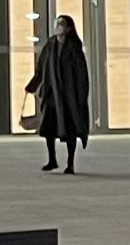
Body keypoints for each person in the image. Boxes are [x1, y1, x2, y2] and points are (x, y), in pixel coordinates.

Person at [29, 13, 93, 173]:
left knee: (70, 129)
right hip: (51, 93)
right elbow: (41, 67)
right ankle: (52, 159)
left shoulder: (74, 48)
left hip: (68, 96)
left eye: (61, 24)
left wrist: (81, 97)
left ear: (69, 28)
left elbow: (81, 75)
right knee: (48, 128)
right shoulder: (50, 46)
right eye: (57, 24)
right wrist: (33, 85)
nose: (57, 27)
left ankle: (70, 163)